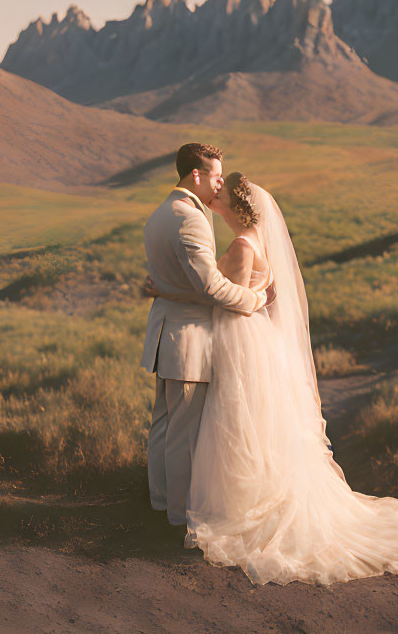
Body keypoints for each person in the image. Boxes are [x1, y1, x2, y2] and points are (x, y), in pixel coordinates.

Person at [144, 171, 398, 586]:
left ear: (235, 207)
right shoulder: (255, 240)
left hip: (240, 341)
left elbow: (221, 299)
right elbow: (216, 291)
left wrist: (168, 291)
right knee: (252, 426)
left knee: (237, 425)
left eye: (221, 192)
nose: (213, 195)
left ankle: (221, 506)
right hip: (256, 341)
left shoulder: (241, 245)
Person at [139, 143, 271, 528]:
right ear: (195, 175)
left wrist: (164, 290)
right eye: (215, 176)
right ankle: (179, 517)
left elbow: (186, 284)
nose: (218, 185)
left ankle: (160, 504)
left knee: (164, 426)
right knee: (183, 434)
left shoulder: (160, 213)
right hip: (189, 341)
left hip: (167, 336)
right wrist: (254, 299)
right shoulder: (191, 218)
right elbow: (211, 289)